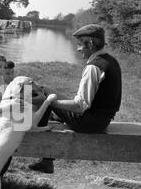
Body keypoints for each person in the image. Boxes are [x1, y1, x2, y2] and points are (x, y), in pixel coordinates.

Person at [28, 24, 122, 173]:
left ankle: (45, 156)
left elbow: (80, 106)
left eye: (79, 45)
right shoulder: (110, 60)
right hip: (102, 119)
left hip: (90, 123)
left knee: (46, 99)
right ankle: (52, 119)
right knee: (44, 90)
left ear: (90, 44)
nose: (78, 49)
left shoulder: (94, 67)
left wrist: (47, 103)